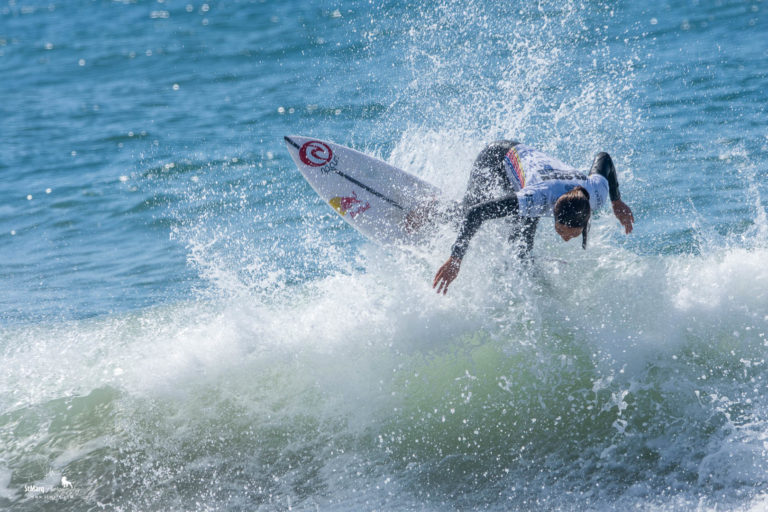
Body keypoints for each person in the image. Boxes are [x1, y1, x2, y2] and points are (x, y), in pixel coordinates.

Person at [432, 140, 635, 294]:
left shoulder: (596, 194)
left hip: (533, 179)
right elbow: (476, 212)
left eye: (573, 235)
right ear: (554, 212)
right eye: (562, 231)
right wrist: (455, 258)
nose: (565, 238)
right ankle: (433, 210)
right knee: (466, 215)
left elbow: (604, 158)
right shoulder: (536, 198)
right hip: (498, 158)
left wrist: (616, 201)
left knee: (520, 252)